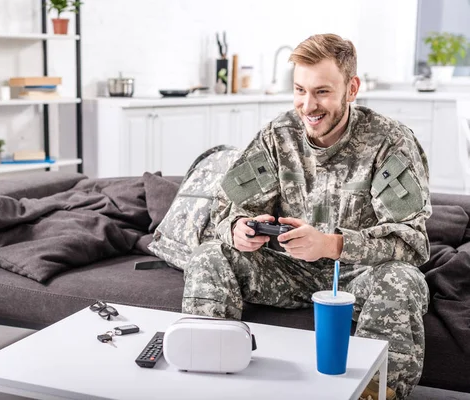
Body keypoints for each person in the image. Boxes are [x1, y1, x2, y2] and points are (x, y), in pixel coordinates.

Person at [182, 33, 431, 400]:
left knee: (402, 281)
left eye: (322, 92)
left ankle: (377, 393)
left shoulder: (390, 142)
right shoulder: (277, 136)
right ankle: (203, 376)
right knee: (209, 256)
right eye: (300, 90)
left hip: (357, 276)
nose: (307, 105)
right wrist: (237, 228)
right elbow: (226, 209)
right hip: (287, 270)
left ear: (352, 88)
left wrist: (330, 244)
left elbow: (412, 243)